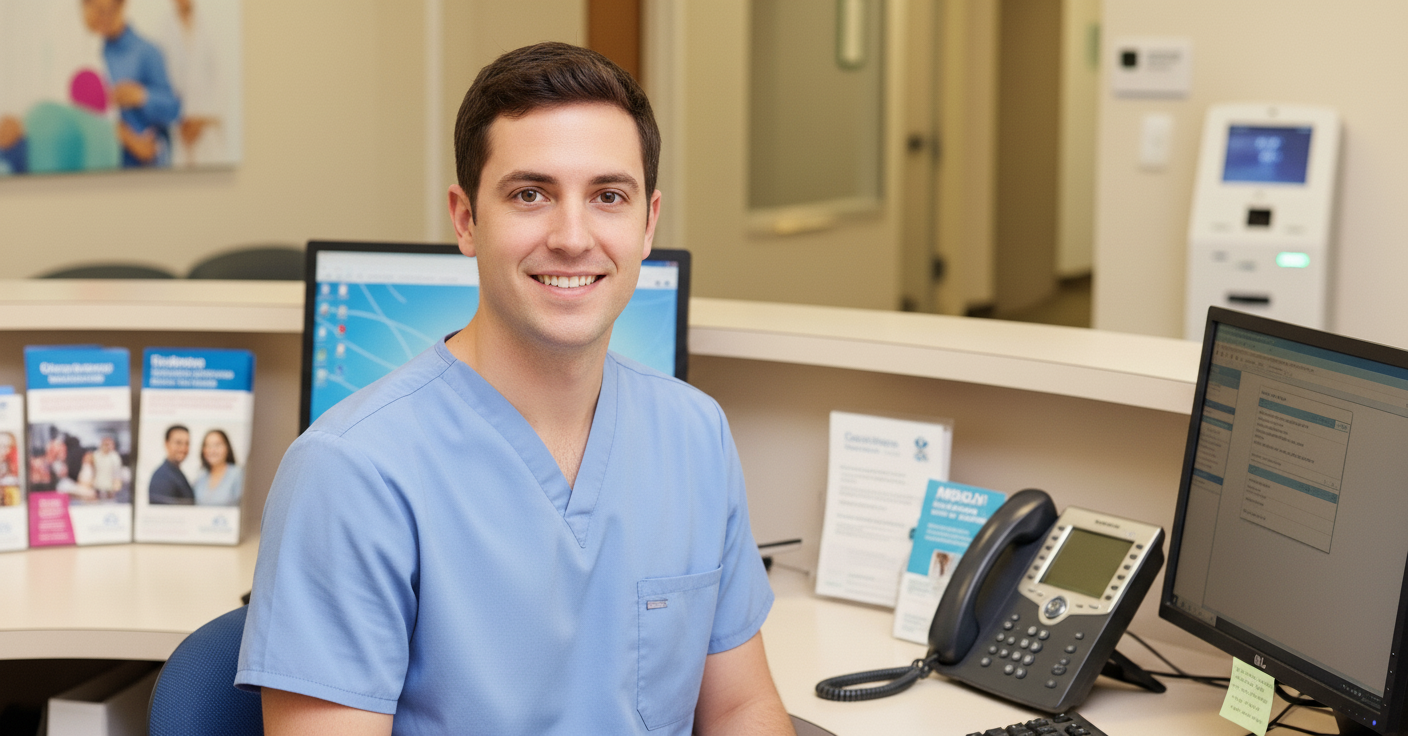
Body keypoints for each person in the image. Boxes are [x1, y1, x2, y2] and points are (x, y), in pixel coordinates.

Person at [237, 43, 794, 735]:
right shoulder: (352, 471)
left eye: (608, 197)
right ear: (467, 219)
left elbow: (742, 707)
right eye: (531, 194)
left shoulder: (695, 433)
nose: (571, 236)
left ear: (648, 223)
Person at [82, 0, 181, 167]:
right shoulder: (86, 54)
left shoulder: (147, 51)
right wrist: (122, 134)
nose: (101, 17)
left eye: (108, 10)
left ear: (122, 6)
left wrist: (141, 96)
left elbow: (174, 109)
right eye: (94, 10)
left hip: (141, 169)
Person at [191, 428, 242, 507]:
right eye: (208, 446)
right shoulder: (200, 477)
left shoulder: (237, 474)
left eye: (217, 445)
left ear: (227, 448)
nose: (212, 450)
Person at [148, 425, 194, 505]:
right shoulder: (161, 477)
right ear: (167, 444)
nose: (183, 448)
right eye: (178, 443)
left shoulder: (176, 472)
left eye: (187, 443)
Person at [90, 435, 124, 501]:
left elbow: (117, 473)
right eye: (105, 444)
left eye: (109, 444)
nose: (107, 446)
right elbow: (92, 470)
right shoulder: (95, 455)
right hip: (97, 486)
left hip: (110, 488)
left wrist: (116, 487)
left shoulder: (115, 456)